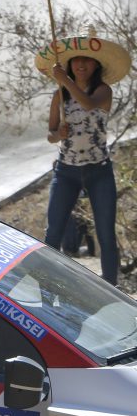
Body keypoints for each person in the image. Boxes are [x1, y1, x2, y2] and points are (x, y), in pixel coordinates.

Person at [34, 35, 132, 285]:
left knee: (105, 233)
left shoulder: (103, 91)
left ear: (96, 65)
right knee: (53, 232)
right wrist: (59, 135)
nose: (81, 65)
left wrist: (64, 80)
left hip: (99, 170)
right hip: (66, 171)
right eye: (76, 60)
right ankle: (48, 286)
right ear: (70, 64)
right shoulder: (59, 95)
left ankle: (111, 286)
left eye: (87, 60)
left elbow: (88, 105)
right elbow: (50, 135)